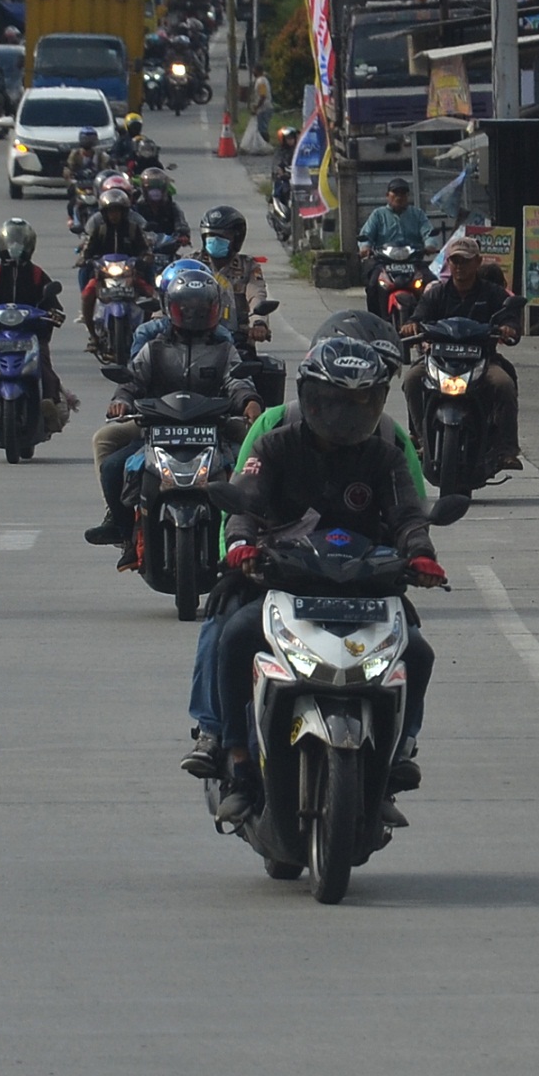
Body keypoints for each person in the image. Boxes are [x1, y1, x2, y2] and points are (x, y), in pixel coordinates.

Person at [203, 336, 445, 825]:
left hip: (364, 587)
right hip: (282, 581)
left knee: (418, 652)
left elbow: (406, 515)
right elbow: (246, 503)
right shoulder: (274, 445)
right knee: (232, 638)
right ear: (310, 397)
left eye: (359, 403)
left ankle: (399, 754)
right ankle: (236, 759)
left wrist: (421, 555)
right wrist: (242, 545)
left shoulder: (385, 455)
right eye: (333, 402)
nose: (343, 415)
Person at [85, 271, 262, 570]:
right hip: (157, 426)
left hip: (214, 425)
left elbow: (236, 381)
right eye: (187, 307)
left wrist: (249, 401)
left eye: (202, 307)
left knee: (258, 454)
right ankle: (124, 530)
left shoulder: (223, 347)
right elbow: (132, 381)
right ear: (172, 308)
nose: (195, 314)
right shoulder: (153, 347)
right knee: (115, 467)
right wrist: (121, 401)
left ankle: (262, 525)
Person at [401, 234, 523, 471]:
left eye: (465, 261)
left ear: (477, 262)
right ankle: (423, 439)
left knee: (504, 383)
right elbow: (418, 316)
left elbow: (511, 320)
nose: (459, 266)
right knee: (412, 380)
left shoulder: (493, 294)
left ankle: (507, 449)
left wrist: (510, 327)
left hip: (482, 361)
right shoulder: (436, 293)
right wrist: (411, 325)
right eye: (455, 261)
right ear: (448, 262)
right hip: (440, 359)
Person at [0, 219, 69, 433]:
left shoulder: (37, 275)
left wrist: (53, 313)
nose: (15, 248)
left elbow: (51, 301)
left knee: (43, 363)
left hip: (31, 336)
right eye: (11, 242)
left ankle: (50, 403)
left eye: (20, 242)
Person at [78, 189, 153, 349]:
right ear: (105, 213)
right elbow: (88, 251)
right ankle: (93, 335)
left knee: (151, 295)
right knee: (87, 296)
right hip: (103, 276)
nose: (114, 215)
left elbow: (145, 250)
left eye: (117, 211)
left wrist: (143, 260)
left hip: (130, 274)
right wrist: (87, 260)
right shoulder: (99, 231)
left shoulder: (133, 229)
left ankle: (147, 331)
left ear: (124, 212)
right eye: (111, 211)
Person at [358, 177, 434, 316]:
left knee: (433, 284)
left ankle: (431, 321)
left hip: (412, 261)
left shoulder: (417, 214)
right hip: (384, 262)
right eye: (395, 193)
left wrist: (430, 245)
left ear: (407, 196)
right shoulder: (378, 215)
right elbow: (366, 235)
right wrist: (365, 247)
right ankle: (375, 320)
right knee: (373, 285)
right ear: (388, 195)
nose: (399, 197)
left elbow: (428, 232)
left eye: (403, 193)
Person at [197, 205, 270, 350]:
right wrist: (159, 317)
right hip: (195, 336)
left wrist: (258, 323)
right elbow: (170, 291)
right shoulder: (192, 263)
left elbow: (257, 295)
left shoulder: (248, 266)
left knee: (260, 369)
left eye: (221, 237)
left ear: (237, 238)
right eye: (210, 236)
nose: (214, 241)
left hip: (236, 339)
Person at [64, 128, 111, 226]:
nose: (88, 142)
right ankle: (73, 219)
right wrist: (71, 178)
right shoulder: (75, 154)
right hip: (80, 184)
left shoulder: (101, 155)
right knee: (72, 202)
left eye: (91, 139)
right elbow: (69, 169)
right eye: (86, 139)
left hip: (96, 183)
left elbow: (107, 169)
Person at [135, 168, 189, 246]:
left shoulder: (171, 207)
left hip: (168, 247)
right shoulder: (138, 207)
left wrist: (183, 234)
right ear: (145, 190)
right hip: (143, 247)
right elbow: (132, 222)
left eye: (158, 188)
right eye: (151, 188)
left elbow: (180, 222)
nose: (155, 192)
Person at [271, 125, 298, 205]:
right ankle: (278, 202)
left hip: (297, 176)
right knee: (282, 189)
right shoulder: (280, 152)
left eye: (292, 138)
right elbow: (277, 164)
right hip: (285, 178)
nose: (291, 141)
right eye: (288, 139)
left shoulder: (298, 150)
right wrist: (281, 173)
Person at [249, 63, 274, 142]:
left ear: (258, 71)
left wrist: (256, 107)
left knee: (262, 129)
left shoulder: (261, 81)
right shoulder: (262, 80)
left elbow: (263, 96)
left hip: (264, 109)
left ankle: (265, 144)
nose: (253, 73)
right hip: (264, 108)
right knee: (262, 128)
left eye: (254, 71)